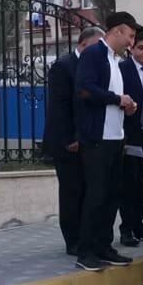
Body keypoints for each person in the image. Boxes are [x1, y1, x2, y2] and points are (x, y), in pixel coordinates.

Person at [73, 12, 142, 272]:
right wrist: (116, 99)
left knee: (113, 195)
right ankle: (85, 251)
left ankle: (104, 246)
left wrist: (127, 105)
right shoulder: (94, 54)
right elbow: (85, 89)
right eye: (130, 36)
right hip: (97, 139)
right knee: (96, 196)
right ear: (117, 32)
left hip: (115, 138)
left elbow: (112, 97)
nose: (132, 42)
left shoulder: (116, 60)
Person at [45, 27, 103, 256]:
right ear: (84, 44)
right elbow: (59, 107)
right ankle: (73, 240)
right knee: (72, 191)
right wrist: (70, 138)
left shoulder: (95, 66)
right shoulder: (64, 66)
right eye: (97, 46)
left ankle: (88, 236)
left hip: (90, 140)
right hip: (68, 141)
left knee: (88, 190)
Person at [117, 29, 143, 247]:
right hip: (130, 135)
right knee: (128, 183)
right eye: (141, 48)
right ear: (132, 48)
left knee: (142, 181)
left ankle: (139, 225)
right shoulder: (122, 69)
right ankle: (126, 228)